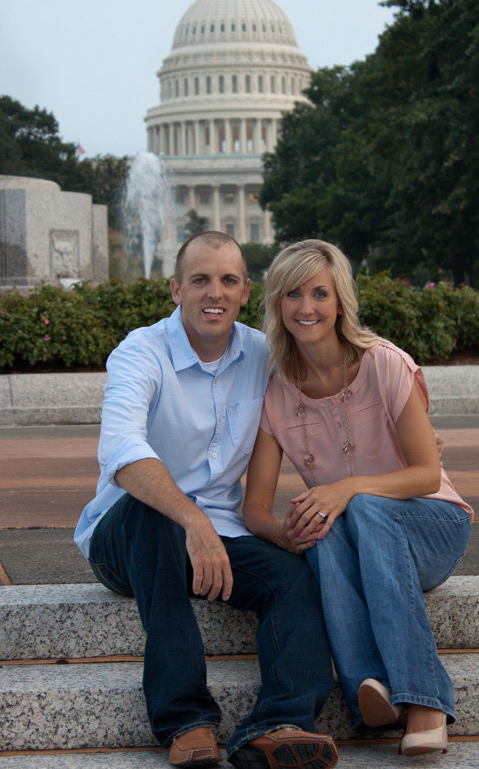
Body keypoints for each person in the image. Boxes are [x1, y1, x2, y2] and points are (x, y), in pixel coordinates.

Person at [74, 232, 338, 769]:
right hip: (125, 537)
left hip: (221, 534)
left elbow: (335, 396)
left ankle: (277, 725)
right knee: (154, 513)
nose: (212, 292)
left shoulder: (263, 355)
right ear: (176, 290)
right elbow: (123, 452)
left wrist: (407, 441)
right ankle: (185, 720)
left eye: (226, 280)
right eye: (199, 280)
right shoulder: (140, 351)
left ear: (244, 292)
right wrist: (192, 520)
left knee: (292, 576)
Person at [242, 239, 473, 759]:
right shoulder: (275, 393)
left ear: (340, 301)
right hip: (355, 539)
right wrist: (285, 532)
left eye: (320, 293)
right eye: (293, 294)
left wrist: (348, 488)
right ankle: (371, 687)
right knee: (316, 522)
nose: (307, 308)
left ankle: (427, 700)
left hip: (432, 527)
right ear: (278, 304)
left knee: (358, 506)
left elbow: (425, 473)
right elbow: (253, 508)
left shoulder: (384, 364)